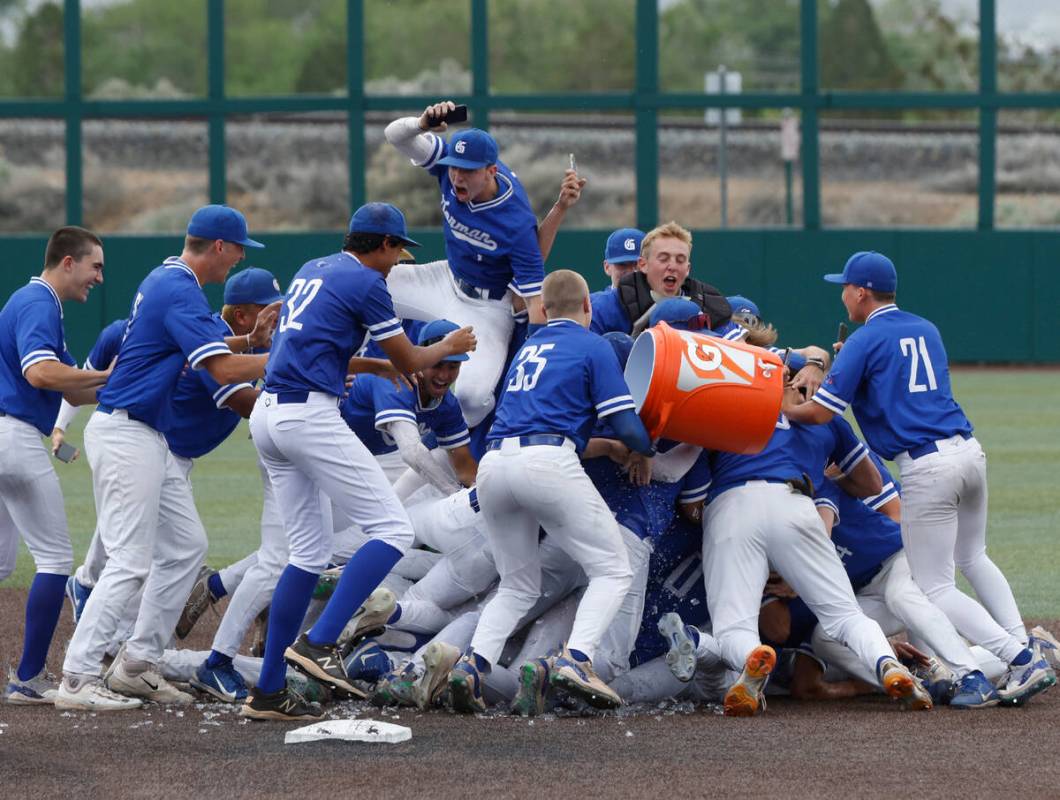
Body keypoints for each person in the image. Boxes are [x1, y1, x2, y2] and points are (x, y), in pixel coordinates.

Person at [783, 250, 1056, 705]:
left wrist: (783, 409)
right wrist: (855, 363)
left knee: (934, 588)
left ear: (862, 292)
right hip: (969, 450)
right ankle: (1023, 645)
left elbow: (821, 411)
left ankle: (1022, 659)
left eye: (846, 287)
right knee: (974, 556)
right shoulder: (924, 327)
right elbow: (900, 384)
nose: (843, 295)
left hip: (928, 465)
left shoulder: (865, 341)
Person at [242, 202, 475, 721]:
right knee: (391, 529)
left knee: (305, 554)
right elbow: (413, 359)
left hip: (268, 415)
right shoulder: (369, 282)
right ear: (384, 245)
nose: (397, 262)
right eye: (397, 251)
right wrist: (451, 343)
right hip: (309, 415)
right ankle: (320, 641)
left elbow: (309, 347)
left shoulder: (314, 268)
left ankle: (269, 689)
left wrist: (373, 363)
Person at [57, 205, 272, 712]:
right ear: (219, 247)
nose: (239, 258)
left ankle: (136, 664)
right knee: (130, 560)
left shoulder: (171, 281)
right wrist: (286, 354)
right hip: (127, 431)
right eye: (238, 248)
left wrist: (250, 341)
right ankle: (78, 675)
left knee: (186, 547)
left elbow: (203, 346)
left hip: (146, 434)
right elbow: (219, 369)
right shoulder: (178, 286)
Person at [445, 269, 655, 713]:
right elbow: (625, 423)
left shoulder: (528, 347)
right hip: (546, 461)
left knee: (518, 584)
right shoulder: (593, 343)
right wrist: (644, 449)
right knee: (614, 568)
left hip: (496, 464)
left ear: (543, 309)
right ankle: (577, 659)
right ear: (588, 307)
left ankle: (472, 665)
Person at [383, 102, 547, 427]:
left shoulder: (516, 221)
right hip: (445, 279)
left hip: (487, 309)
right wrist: (422, 124)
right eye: (455, 167)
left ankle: (449, 448)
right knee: (357, 285)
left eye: (468, 170)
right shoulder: (448, 168)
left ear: (492, 171)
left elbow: (535, 301)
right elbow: (394, 136)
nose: (457, 175)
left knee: (472, 398)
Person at [0, 227, 109, 704]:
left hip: (8, 433)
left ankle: (26, 676)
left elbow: (70, 388)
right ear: (68, 262)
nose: (99, 278)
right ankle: (27, 678)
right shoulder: (38, 302)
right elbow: (39, 372)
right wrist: (109, 373)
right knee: (56, 560)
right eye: (95, 266)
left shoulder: (36, 302)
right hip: (14, 438)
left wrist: (122, 387)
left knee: (2, 564)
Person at [339, 318, 476, 491]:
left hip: (382, 458)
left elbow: (464, 467)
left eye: (453, 366)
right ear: (423, 358)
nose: (444, 375)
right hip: (327, 450)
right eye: (437, 364)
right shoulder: (395, 382)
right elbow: (412, 453)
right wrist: (454, 493)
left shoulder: (448, 405)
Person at [589, 221, 730, 337]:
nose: (672, 266)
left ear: (688, 269)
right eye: (663, 259)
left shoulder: (709, 303)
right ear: (644, 264)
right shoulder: (603, 307)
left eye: (680, 260)